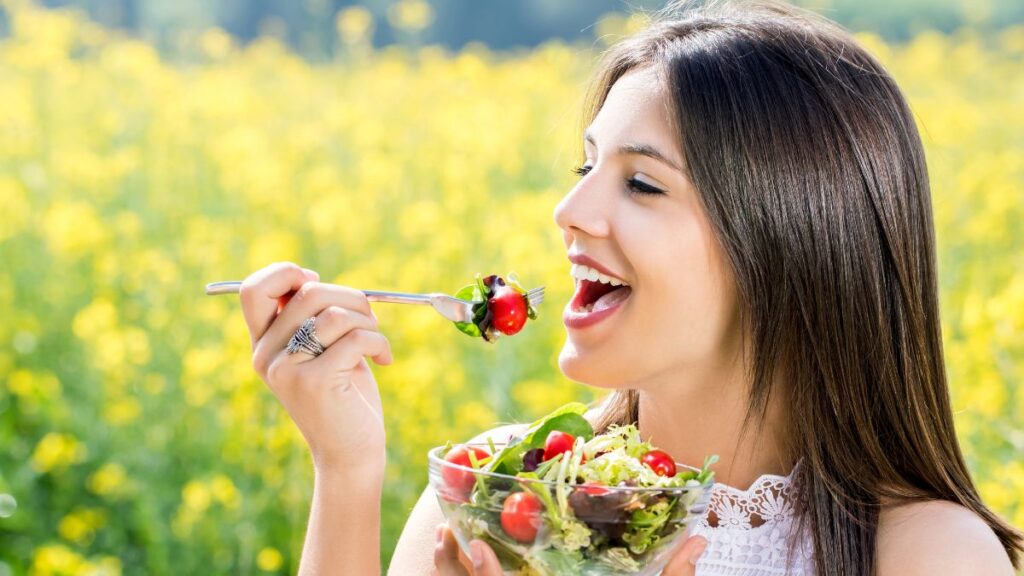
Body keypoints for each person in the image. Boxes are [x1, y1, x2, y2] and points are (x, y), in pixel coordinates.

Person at [237, 1, 1023, 574]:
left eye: (643, 184)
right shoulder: (501, 495)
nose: (568, 211)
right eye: (586, 168)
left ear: (791, 244)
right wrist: (345, 471)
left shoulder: (924, 552)